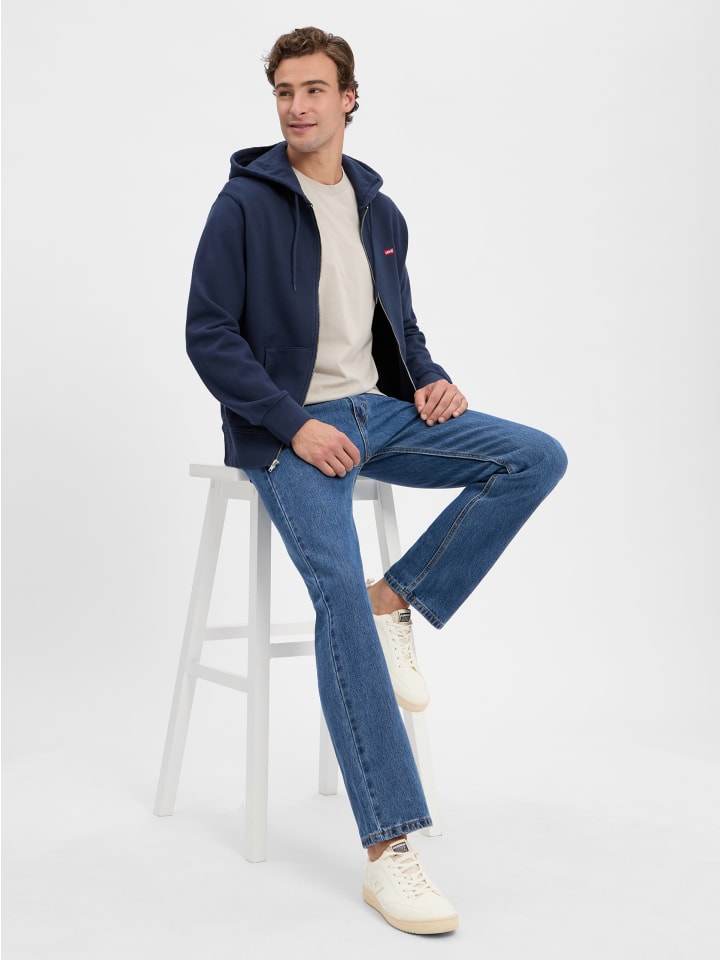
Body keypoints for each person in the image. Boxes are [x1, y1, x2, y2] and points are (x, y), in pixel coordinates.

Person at [186, 25, 567, 935]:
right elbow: (209, 335)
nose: (298, 107)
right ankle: (389, 851)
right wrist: (292, 422)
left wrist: (430, 378)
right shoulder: (242, 205)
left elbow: (400, 325)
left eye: (314, 90)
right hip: (287, 432)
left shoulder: (379, 210)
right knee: (336, 599)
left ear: (349, 98)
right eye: (285, 92)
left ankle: (397, 598)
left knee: (535, 456)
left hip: (378, 413)